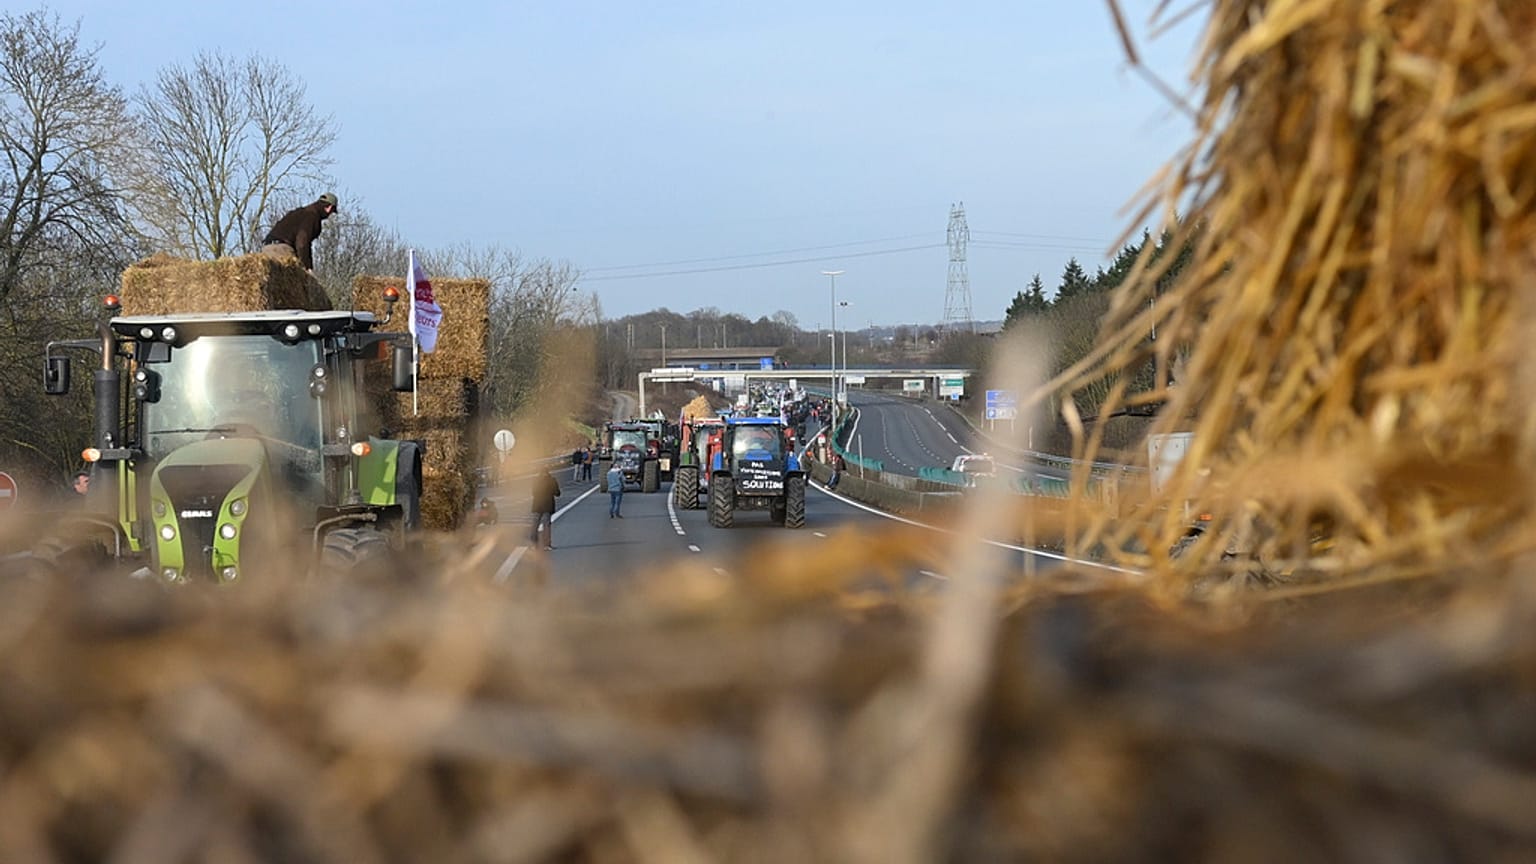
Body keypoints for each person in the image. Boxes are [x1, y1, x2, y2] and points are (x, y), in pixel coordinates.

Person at [261, 193, 338, 272]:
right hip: (281, 251)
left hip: (266, 249)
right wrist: (307, 267)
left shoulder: (299, 213)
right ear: (329, 208)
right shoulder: (312, 216)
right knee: (293, 278)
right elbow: (302, 243)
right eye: (332, 212)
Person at [529, 469, 560, 550]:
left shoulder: (535, 480)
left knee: (535, 525)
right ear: (548, 472)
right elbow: (557, 493)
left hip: (537, 505)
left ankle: (534, 544)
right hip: (548, 505)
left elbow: (533, 492)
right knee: (546, 525)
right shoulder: (552, 480)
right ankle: (547, 545)